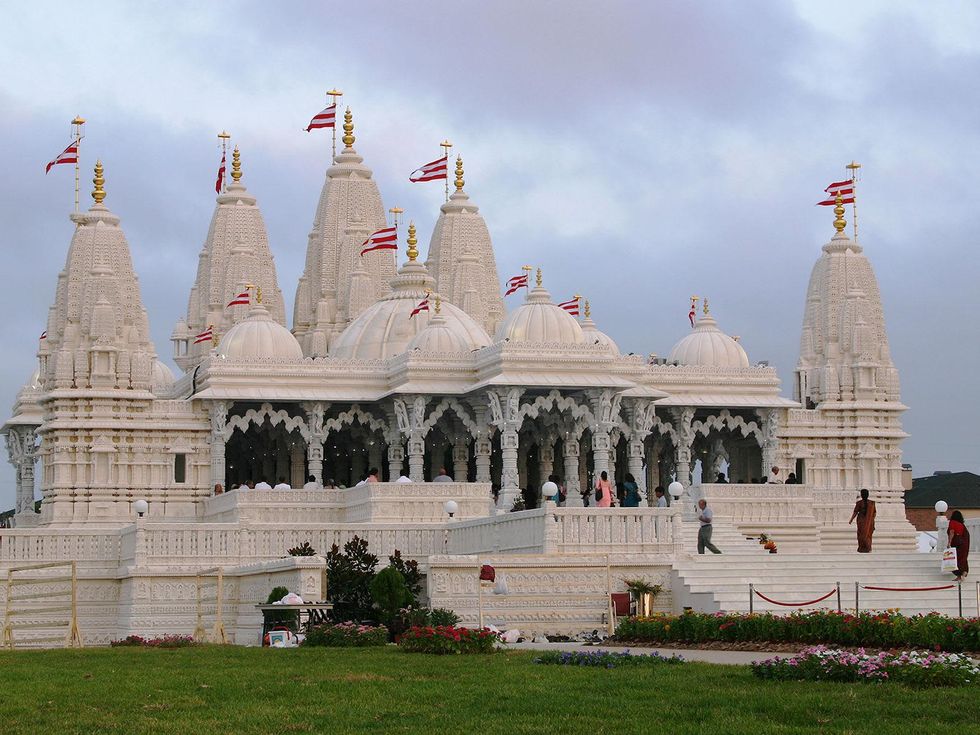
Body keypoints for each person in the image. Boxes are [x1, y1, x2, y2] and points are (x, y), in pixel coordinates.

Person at [848, 488, 876, 553]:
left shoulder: (863, 503)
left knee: (863, 535)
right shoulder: (871, 503)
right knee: (866, 534)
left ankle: (864, 548)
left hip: (863, 521)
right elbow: (874, 513)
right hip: (867, 522)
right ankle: (866, 548)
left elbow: (855, 512)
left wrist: (851, 520)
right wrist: (870, 520)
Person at [947, 510, 971, 580]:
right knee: (962, 557)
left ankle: (959, 575)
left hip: (957, 542)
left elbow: (952, 532)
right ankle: (964, 572)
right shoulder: (961, 524)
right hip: (964, 542)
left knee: (956, 558)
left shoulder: (952, 522)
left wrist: (949, 542)